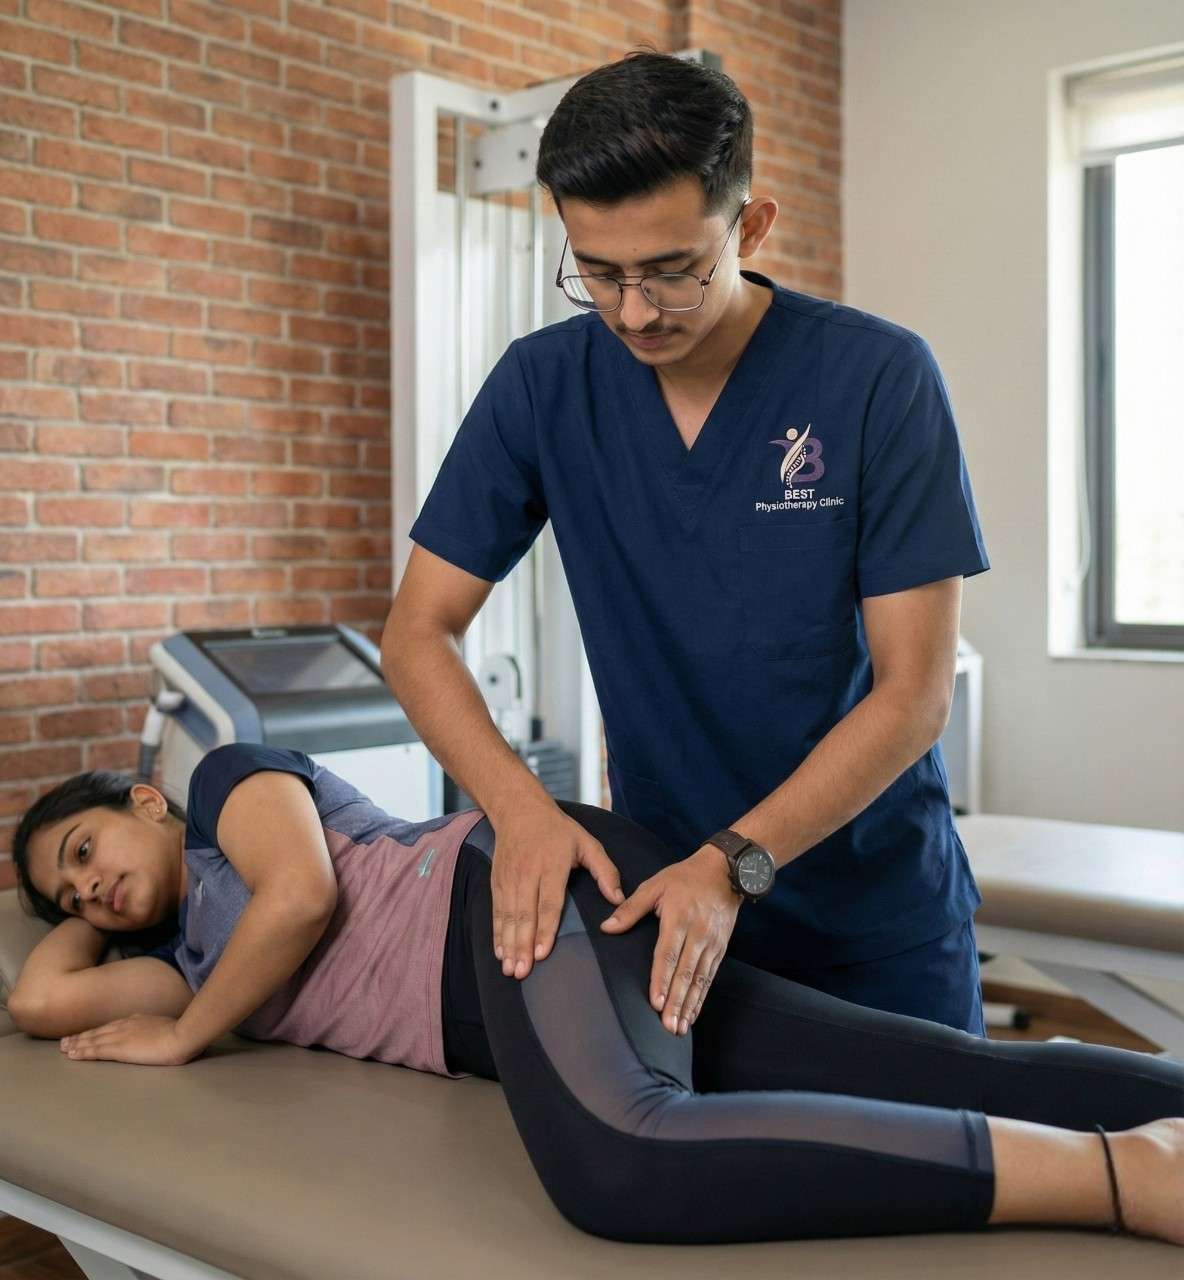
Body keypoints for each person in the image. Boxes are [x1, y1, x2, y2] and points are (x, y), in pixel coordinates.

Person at [381, 49, 994, 1037]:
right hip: (664, 922)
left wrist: (732, 863)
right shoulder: (543, 386)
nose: (632, 311)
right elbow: (417, 632)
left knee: (932, 1185)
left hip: (873, 925)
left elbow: (912, 695)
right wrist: (525, 810)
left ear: (748, 226)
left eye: (670, 271)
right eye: (597, 272)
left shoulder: (877, 377)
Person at [7, 744, 1183, 1247]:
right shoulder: (192, 954)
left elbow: (305, 896)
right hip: (534, 986)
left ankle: (1126, 1177)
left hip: (513, 893)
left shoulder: (222, 788)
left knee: (626, 1152)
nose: (91, 883)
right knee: (907, 1063)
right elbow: (39, 1005)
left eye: (86, 843)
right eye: (70, 886)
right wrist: (73, 913)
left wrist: (185, 1036)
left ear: (147, 796)